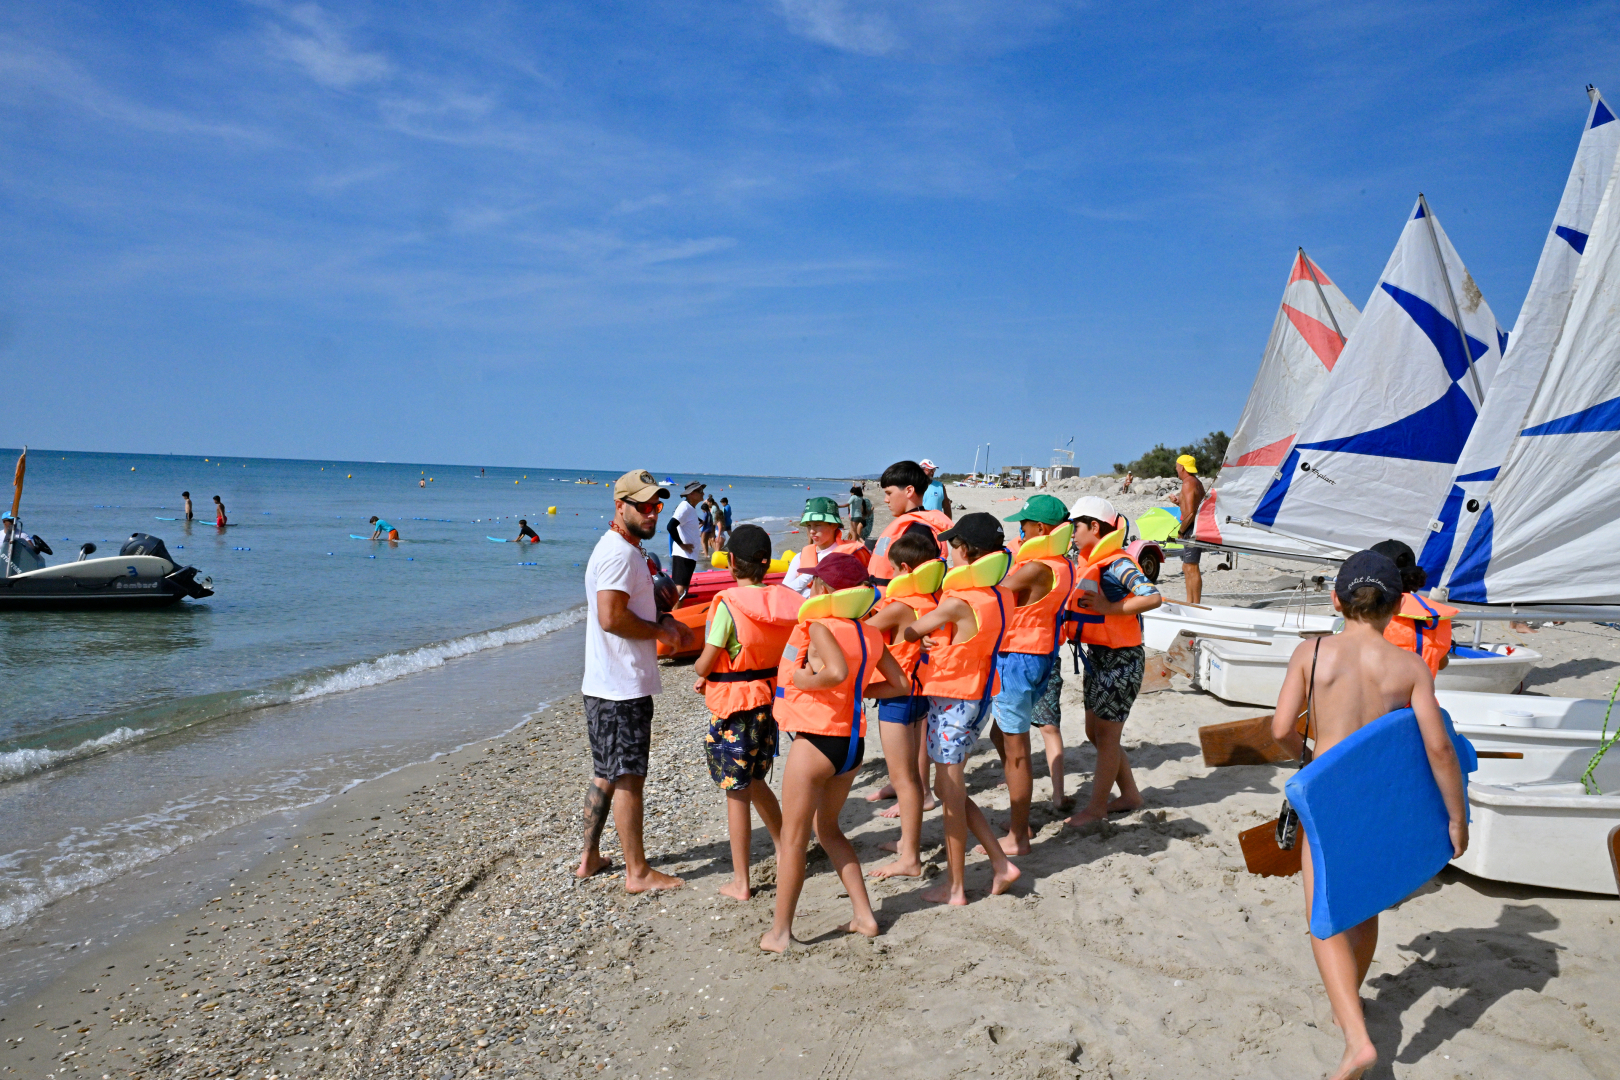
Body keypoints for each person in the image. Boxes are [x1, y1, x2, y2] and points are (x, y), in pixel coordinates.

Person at [1270, 550, 1468, 1080]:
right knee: (1365, 904)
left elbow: (1280, 729)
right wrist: (1457, 818)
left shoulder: (1311, 653)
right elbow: (1439, 749)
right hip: (1379, 797)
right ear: (1398, 603)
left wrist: (1310, 756)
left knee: (1325, 914)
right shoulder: (1408, 667)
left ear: (1337, 599)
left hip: (1329, 794)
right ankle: (1348, 1003)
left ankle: (1356, 1039)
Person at [760, 552, 910, 952]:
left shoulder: (820, 625)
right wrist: (859, 691)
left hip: (817, 741)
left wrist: (804, 681)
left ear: (826, 589)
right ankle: (864, 916)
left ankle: (780, 934)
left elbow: (836, 673)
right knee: (827, 829)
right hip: (851, 746)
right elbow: (900, 684)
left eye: (815, 582)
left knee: (793, 839)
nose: (811, 587)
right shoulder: (870, 632)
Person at [579, 469, 697, 893]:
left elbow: (625, 610)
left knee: (607, 772)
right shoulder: (618, 554)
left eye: (657, 506)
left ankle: (590, 858)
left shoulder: (626, 550)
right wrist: (661, 631)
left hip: (606, 683)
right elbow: (611, 617)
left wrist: (662, 618)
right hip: (619, 687)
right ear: (620, 506)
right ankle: (638, 872)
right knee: (629, 777)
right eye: (643, 506)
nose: (652, 513)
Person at [901, 512, 1022, 905]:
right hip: (979, 695)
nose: (948, 552)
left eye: (953, 545)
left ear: (966, 551)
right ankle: (1001, 864)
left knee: (949, 794)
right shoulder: (999, 594)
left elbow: (911, 629)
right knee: (948, 789)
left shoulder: (958, 601)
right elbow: (971, 639)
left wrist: (915, 630)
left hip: (955, 702)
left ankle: (956, 888)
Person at [691, 524, 794, 901]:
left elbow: (705, 662)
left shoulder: (729, 604)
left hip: (735, 710)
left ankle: (741, 881)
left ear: (730, 562)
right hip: (768, 703)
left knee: (735, 791)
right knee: (755, 780)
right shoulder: (785, 601)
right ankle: (785, 847)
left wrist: (703, 672)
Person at [1063, 496, 1163, 829]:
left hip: (1121, 659)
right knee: (1096, 732)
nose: (1071, 533)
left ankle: (1096, 810)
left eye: (1076, 526)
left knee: (1106, 737)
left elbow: (1152, 596)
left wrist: (1109, 609)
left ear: (1094, 527)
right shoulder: (1090, 561)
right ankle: (1130, 794)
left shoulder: (1118, 563)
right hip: (1099, 656)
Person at [985, 494, 1075, 854]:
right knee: (1000, 735)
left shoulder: (1038, 567)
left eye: (1023, 525)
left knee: (1016, 749)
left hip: (1018, 659)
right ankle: (1020, 810)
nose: (1019, 531)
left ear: (1041, 528)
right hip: (1040, 656)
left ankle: (1018, 835)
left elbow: (996, 595)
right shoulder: (1063, 564)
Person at [861, 531, 950, 878]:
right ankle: (906, 842)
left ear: (902, 568)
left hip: (897, 699)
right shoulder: (933, 599)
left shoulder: (899, 606)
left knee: (903, 779)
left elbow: (859, 634)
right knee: (912, 774)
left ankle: (910, 856)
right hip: (921, 694)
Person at [1371, 539, 1455, 676]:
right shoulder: (1433, 614)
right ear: (1414, 577)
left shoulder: (1373, 614)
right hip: (1421, 695)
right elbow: (1441, 663)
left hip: (1378, 695)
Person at [868, 460, 952, 584]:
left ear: (909, 491)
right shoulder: (910, 525)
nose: (886, 500)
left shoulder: (917, 533)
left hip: (892, 599)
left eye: (889, 493)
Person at [782, 496, 868, 596]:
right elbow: (784, 592)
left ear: (834, 525)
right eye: (809, 525)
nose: (812, 531)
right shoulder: (800, 557)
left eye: (817, 525)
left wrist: (804, 590)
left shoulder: (851, 555)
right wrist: (809, 575)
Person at [1175, 454, 1206, 604]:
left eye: (1177, 467)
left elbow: (1191, 512)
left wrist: (1181, 531)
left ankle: (1195, 603)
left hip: (1192, 528)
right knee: (1187, 566)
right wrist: (1178, 501)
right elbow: (1192, 505)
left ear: (1182, 467)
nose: (1176, 470)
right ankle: (1190, 602)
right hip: (1196, 525)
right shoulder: (1196, 482)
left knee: (1191, 567)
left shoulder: (1188, 483)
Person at [667, 481, 706, 600]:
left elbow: (688, 521)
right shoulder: (684, 507)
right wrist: (681, 545)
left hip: (689, 556)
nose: (703, 493)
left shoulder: (690, 508)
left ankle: (678, 614)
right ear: (691, 494)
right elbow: (670, 526)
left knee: (683, 590)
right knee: (680, 590)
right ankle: (675, 616)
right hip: (683, 555)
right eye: (700, 491)